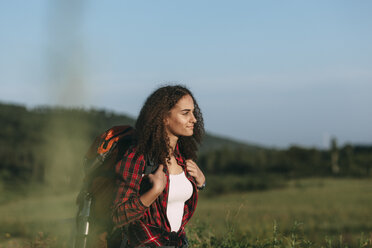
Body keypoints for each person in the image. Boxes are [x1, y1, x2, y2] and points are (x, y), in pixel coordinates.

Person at [112, 85, 206, 248]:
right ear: (163, 117)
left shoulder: (181, 156)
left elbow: (174, 200)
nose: (194, 119)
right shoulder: (139, 156)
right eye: (185, 113)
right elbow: (118, 216)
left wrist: (201, 183)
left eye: (193, 112)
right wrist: (153, 192)